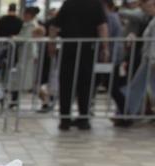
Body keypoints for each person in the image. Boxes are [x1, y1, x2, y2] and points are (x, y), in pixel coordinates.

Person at [50, 0, 110, 130]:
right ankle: (84, 119)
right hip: (88, 50)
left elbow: (54, 26)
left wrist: (52, 44)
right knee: (86, 84)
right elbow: (102, 27)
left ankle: (64, 119)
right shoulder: (96, 4)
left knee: (66, 84)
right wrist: (105, 48)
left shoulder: (68, 3)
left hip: (68, 49)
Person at [118, 0, 155, 124]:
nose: (143, 9)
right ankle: (127, 113)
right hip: (148, 58)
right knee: (137, 86)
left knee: (138, 86)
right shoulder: (151, 20)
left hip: (151, 59)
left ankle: (127, 113)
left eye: (145, 6)